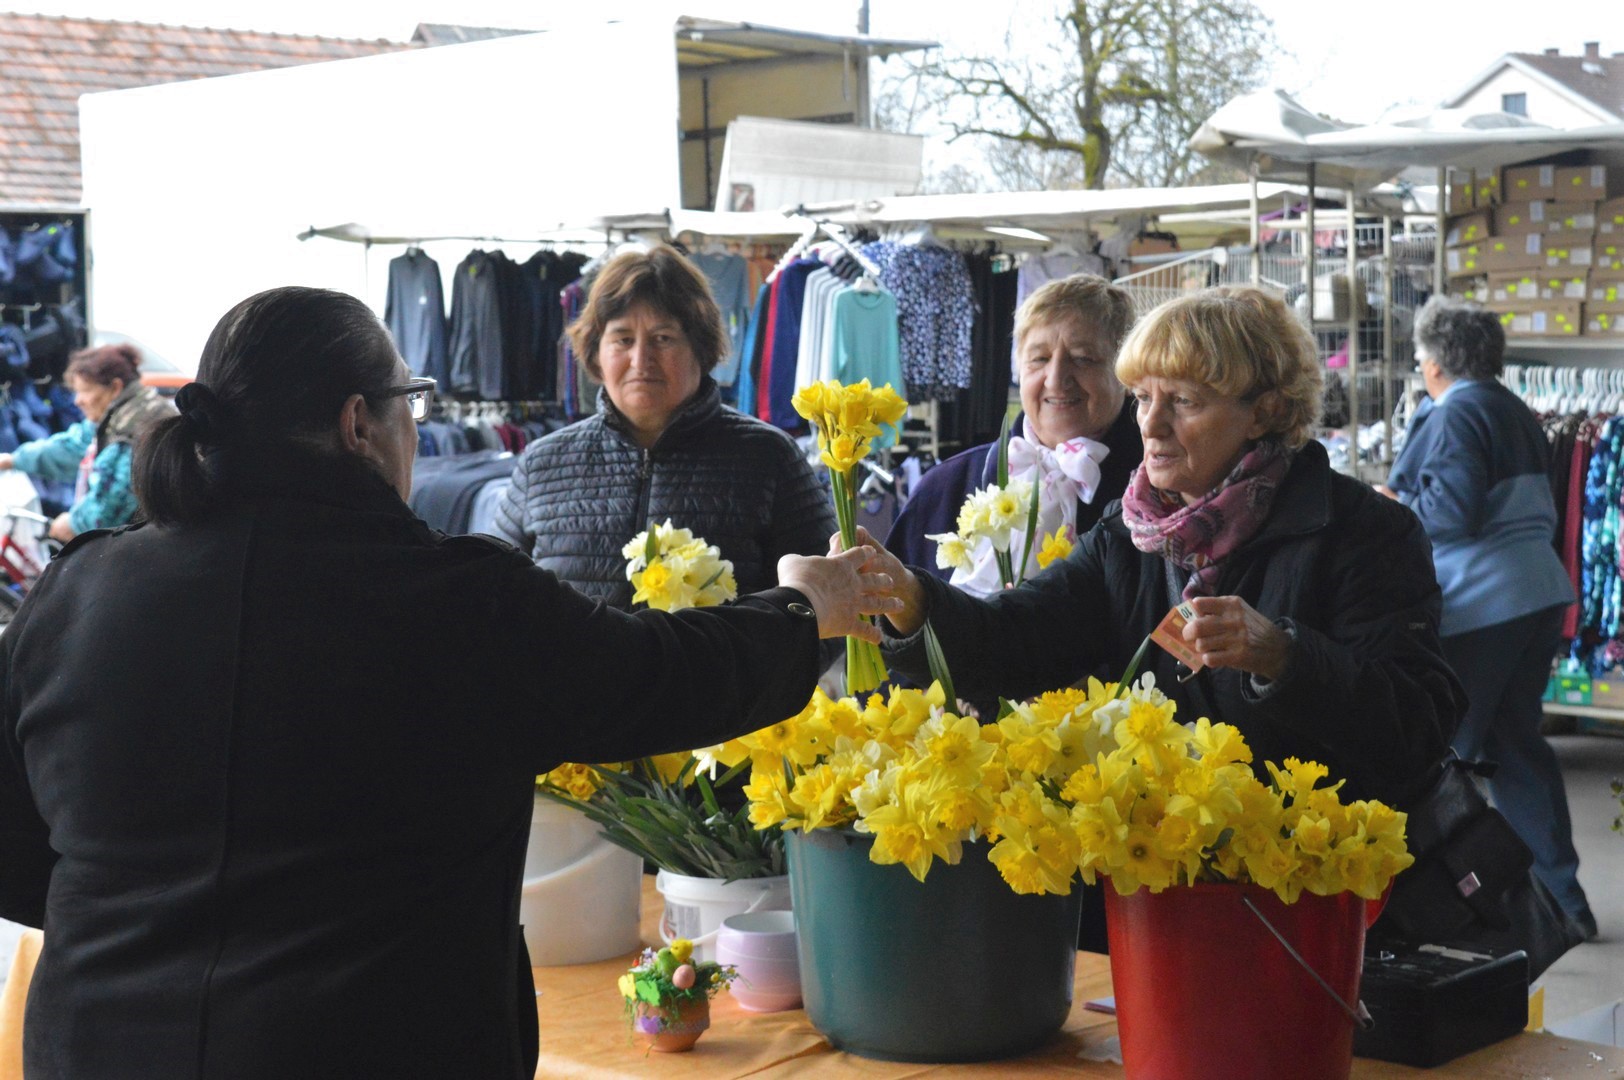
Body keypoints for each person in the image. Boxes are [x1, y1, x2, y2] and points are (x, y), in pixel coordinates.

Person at [0, 286, 897, 1080]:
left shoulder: (77, 591)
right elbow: (664, 677)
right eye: (412, 402)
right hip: (373, 1043)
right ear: (359, 423)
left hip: (102, 1041)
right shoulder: (456, 601)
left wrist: (148, 917)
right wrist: (802, 606)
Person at [869, 286, 1464, 808]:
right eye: (1142, 398)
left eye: (1182, 401)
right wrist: (913, 603)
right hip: (1161, 870)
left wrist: (1284, 656)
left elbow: (1420, 725)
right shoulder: (1127, 536)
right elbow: (1014, 637)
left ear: (1264, 412)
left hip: (1309, 874)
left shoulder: (1364, 533)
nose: (1150, 425)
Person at [1379, 296, 1594, 940]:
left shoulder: (1455, 412)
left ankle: (1437, 908)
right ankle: (1563, 902)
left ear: (1435, 363)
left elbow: (1450, 513)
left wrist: (1390, 502)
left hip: (1483, 602)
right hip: (1537, 592)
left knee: (1448, 758)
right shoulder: (1513, 409)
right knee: (1518, 747)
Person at [494, 244, 836, 608]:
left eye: (663, 338)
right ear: (596, 352)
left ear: (700, 349)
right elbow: (495, 599)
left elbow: (827, 606)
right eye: (623, 339)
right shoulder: (542, 465)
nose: (641, 360)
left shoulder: (768, 457)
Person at [887, 273, 1142, 592]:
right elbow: (889, 612)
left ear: (1127, 375)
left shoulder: (1162, 494)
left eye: (1083, 359)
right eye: (1040, 359)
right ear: (1019, 369)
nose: (1056, 379)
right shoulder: (943, 488)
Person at [0, 342, 175, 540]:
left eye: (85, 391)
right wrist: (13, 460)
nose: (77, 400)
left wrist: (74, 523)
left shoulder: (131, 430)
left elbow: (110, 505)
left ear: (115, 387)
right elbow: (72, 447)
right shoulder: (123, 411)